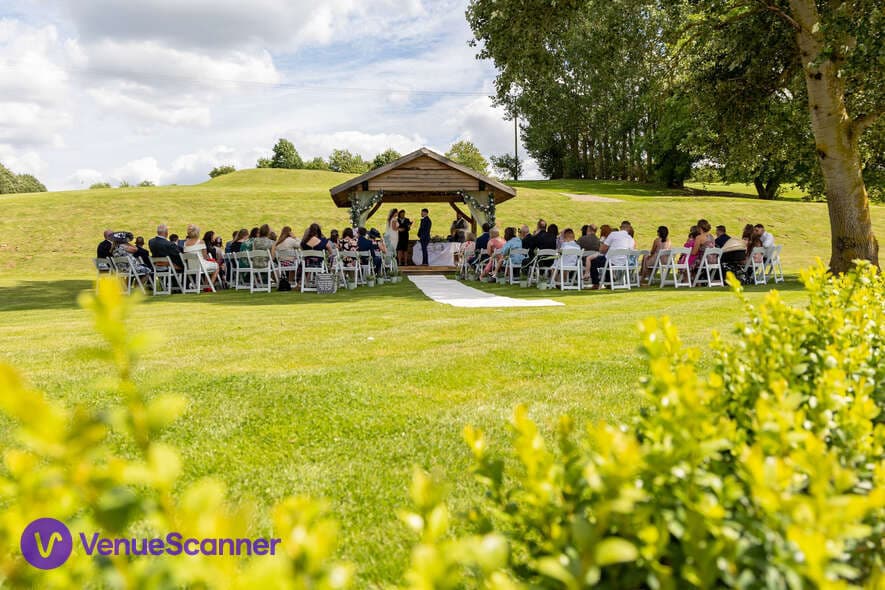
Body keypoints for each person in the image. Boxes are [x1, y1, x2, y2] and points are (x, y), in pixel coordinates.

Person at [591, 224, 633, 289]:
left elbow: (602, 249)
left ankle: (596, 283)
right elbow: (631, 251)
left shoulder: (613, 234)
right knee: (606, 261)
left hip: (610, 260)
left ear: (621, 228)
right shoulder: (630, 239)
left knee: (594, 261)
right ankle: (609, 282)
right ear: (629, 229)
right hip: (623, 262)